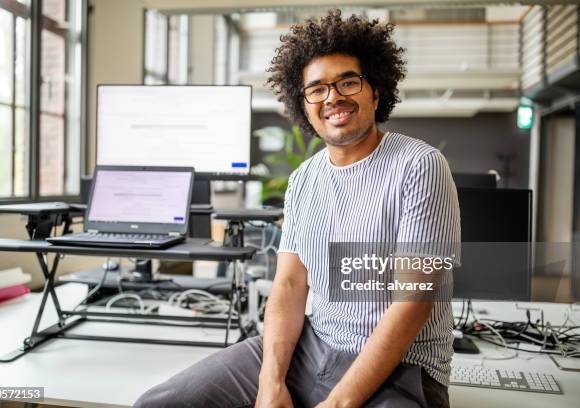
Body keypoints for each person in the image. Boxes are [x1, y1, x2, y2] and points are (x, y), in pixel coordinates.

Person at [134, 9, 460, 408]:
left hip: (401, 370)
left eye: (348, 82)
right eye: (317, 89)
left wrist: (338, 403)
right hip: (313, 349)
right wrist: (270, 383)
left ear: (376, 91)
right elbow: (289, 285)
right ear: (303, 104)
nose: (333, 97)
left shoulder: (419, 165)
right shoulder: (304, 179)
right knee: (159, 404)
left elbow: (412, 304)